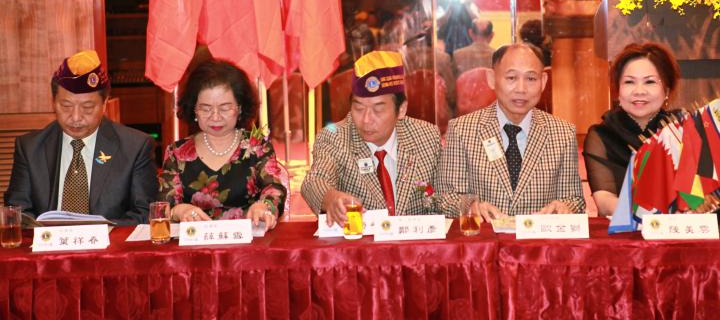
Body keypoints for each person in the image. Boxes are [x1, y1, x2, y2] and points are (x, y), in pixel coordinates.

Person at [5, 50, 158, 225]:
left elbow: (144, 214)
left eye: (87, 107)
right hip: (48, 242)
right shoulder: (30, 148)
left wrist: (97, 232)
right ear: (53, 102)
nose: (76, 117)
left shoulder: (134, 147)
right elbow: (17, 214)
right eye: (66, 106)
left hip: (109, 241)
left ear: (104, 104)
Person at [436, 43, 584, 220]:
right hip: (486, 236)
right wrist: (472, 206)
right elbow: (445, 198)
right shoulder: (462, 130)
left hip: (539, 237)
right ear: (492, 79)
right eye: (511, 77)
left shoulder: (563, 133)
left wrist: (564, 206)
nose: (521, 89)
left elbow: (574, 199)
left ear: (543, 81)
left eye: (531, 79)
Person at [301, 51, 442, 226]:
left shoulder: (426, 136)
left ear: (401, 109)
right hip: (360, 242)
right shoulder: (335, 137)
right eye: (359, 108)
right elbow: (314, 181)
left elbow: (443, 196)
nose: (366, 119)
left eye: (378, 110)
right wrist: (330, 198)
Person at [158, 59, 286, 229]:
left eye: (225, 108)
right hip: (195, 241)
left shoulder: (257, 147)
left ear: (240, 108)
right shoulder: (177, 152)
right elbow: (164, 205)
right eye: (205, 108)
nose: (215, 117)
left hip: (247, 239)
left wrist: (264, 206)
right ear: (194, 109)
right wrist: (179, 211)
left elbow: (274, 189)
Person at [583, 42, 683, 217]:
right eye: (629, 82)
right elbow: (605, 202)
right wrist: (656, 216)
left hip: (678, 229)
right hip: (625, 231)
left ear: (666, 90)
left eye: (650, 82)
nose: (639, 91)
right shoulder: (602, 135)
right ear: (618, 90)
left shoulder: (681, 129)